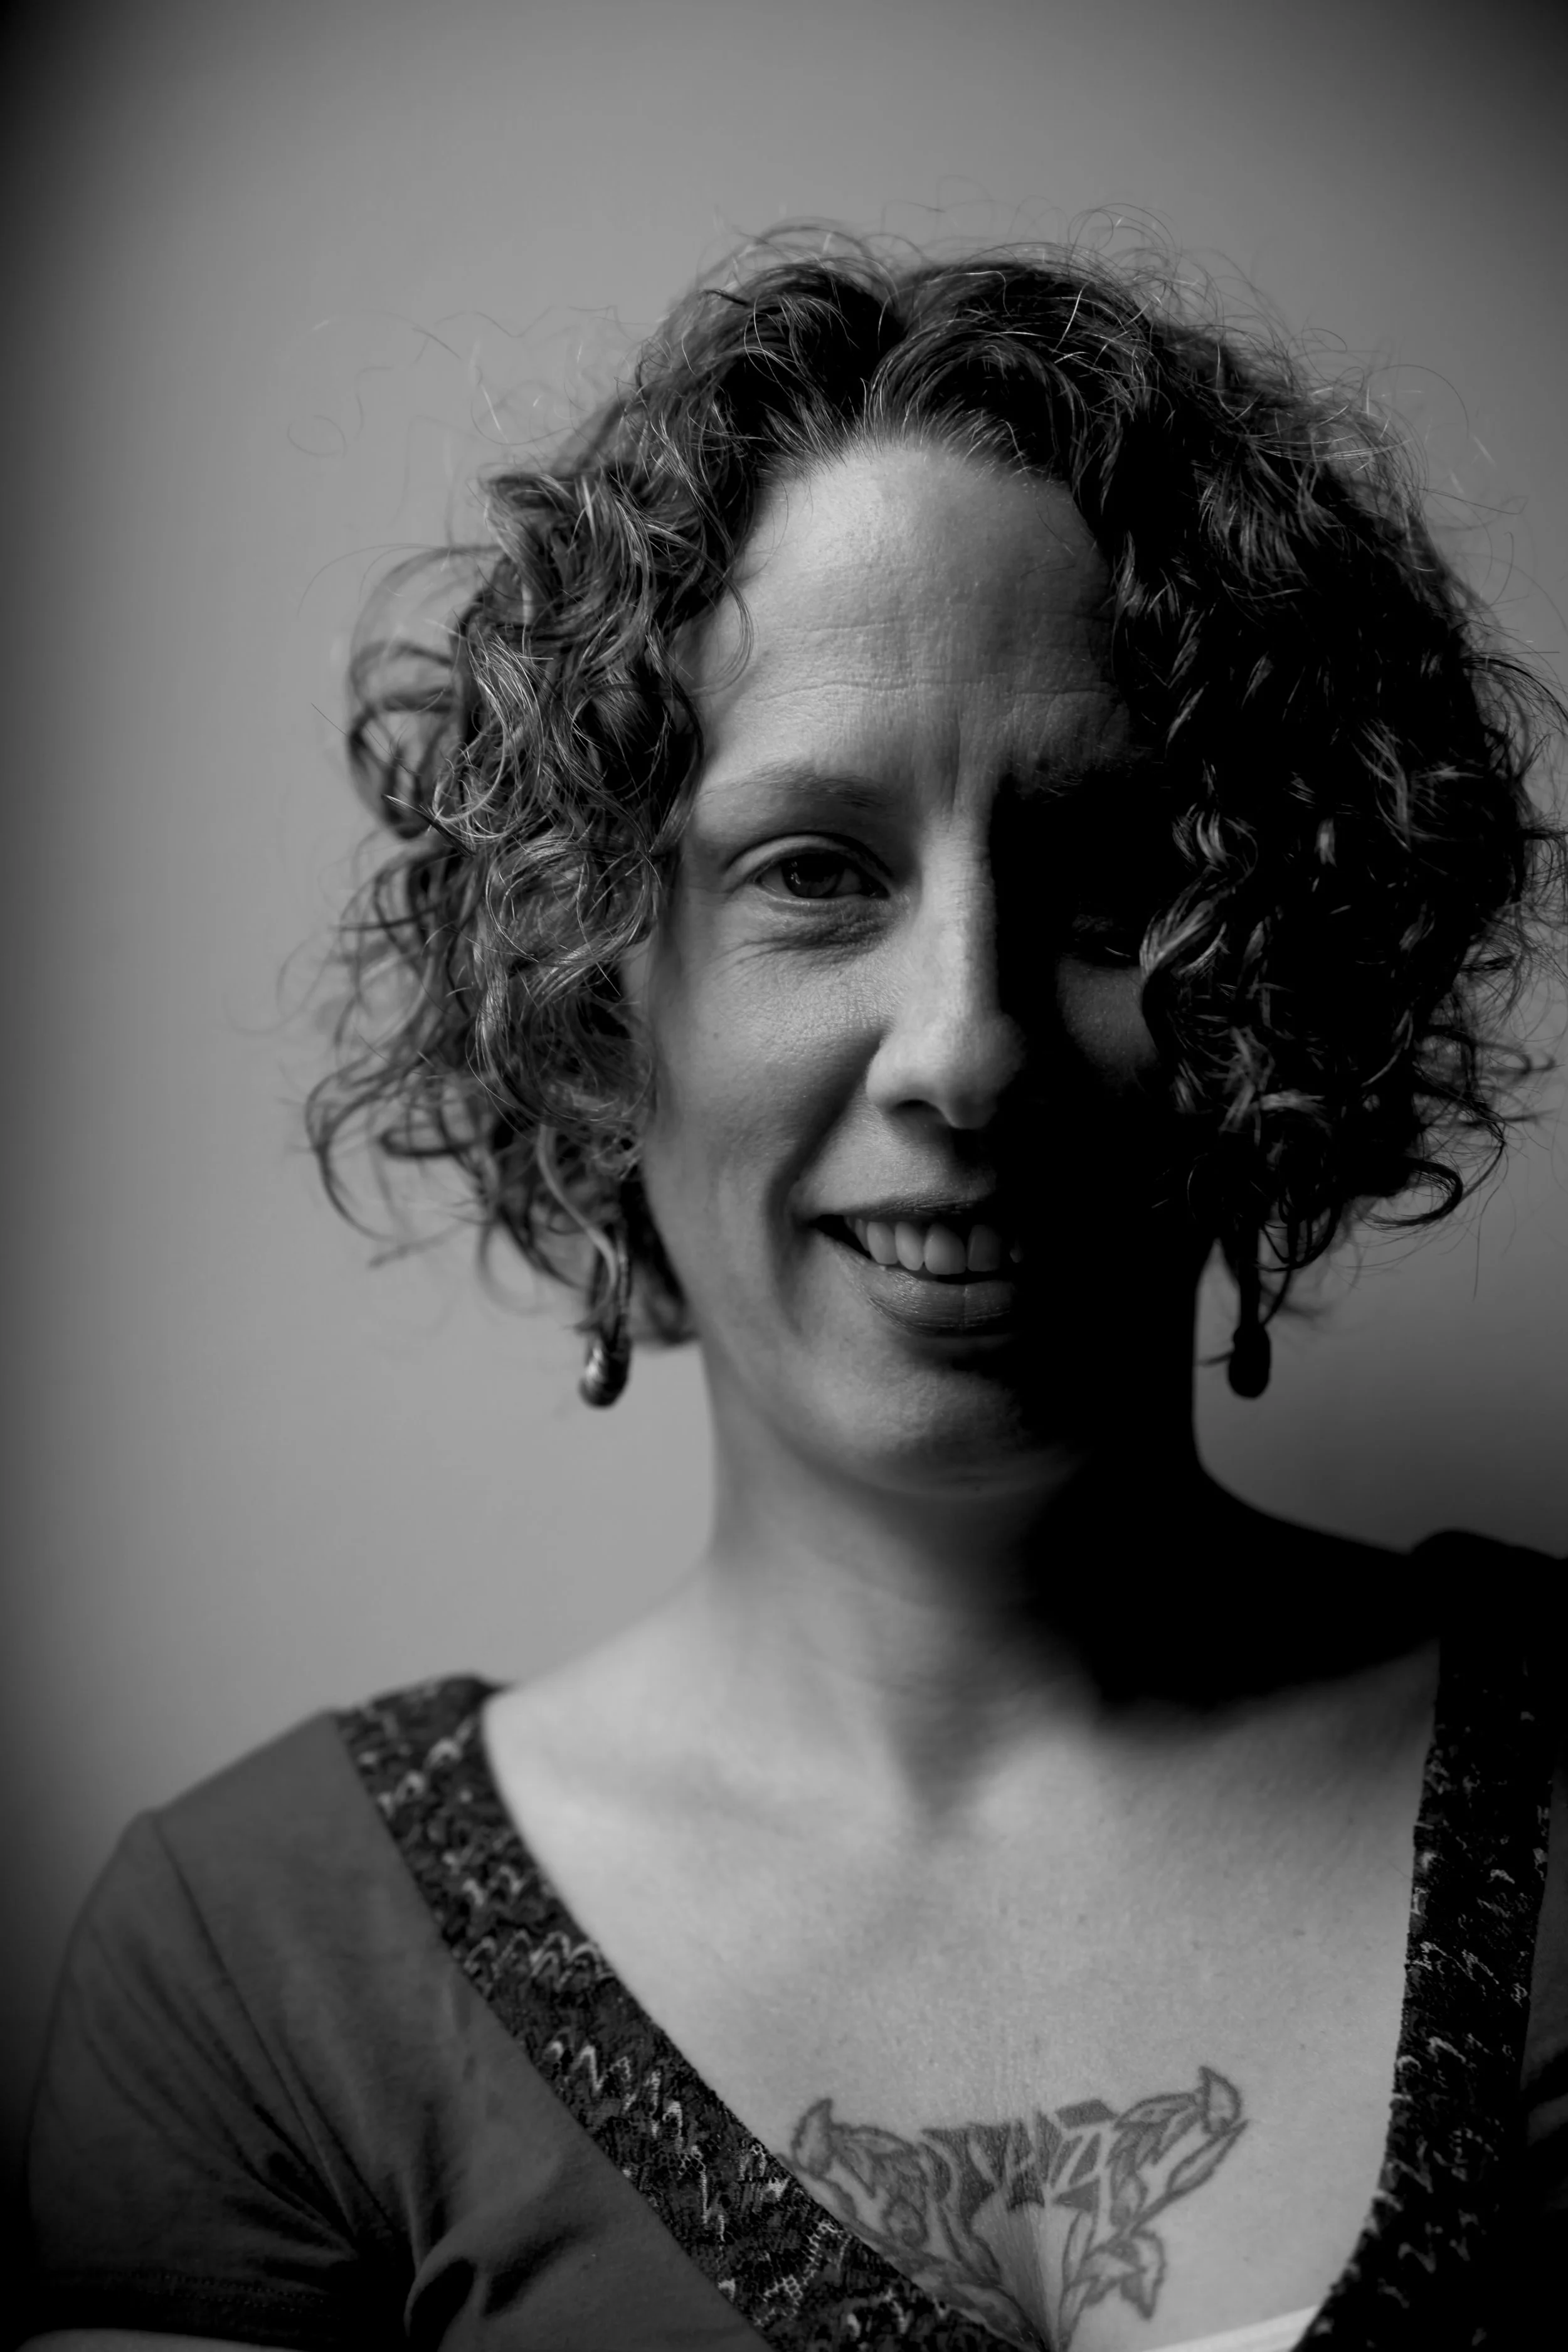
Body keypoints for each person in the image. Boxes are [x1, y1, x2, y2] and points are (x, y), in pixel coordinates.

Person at [19, 230, 1568, 2352]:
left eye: (1107, 882)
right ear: (589, 989)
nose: (965, 1046)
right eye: (814, 870)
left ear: (1284, 989)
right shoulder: (255, 1955)